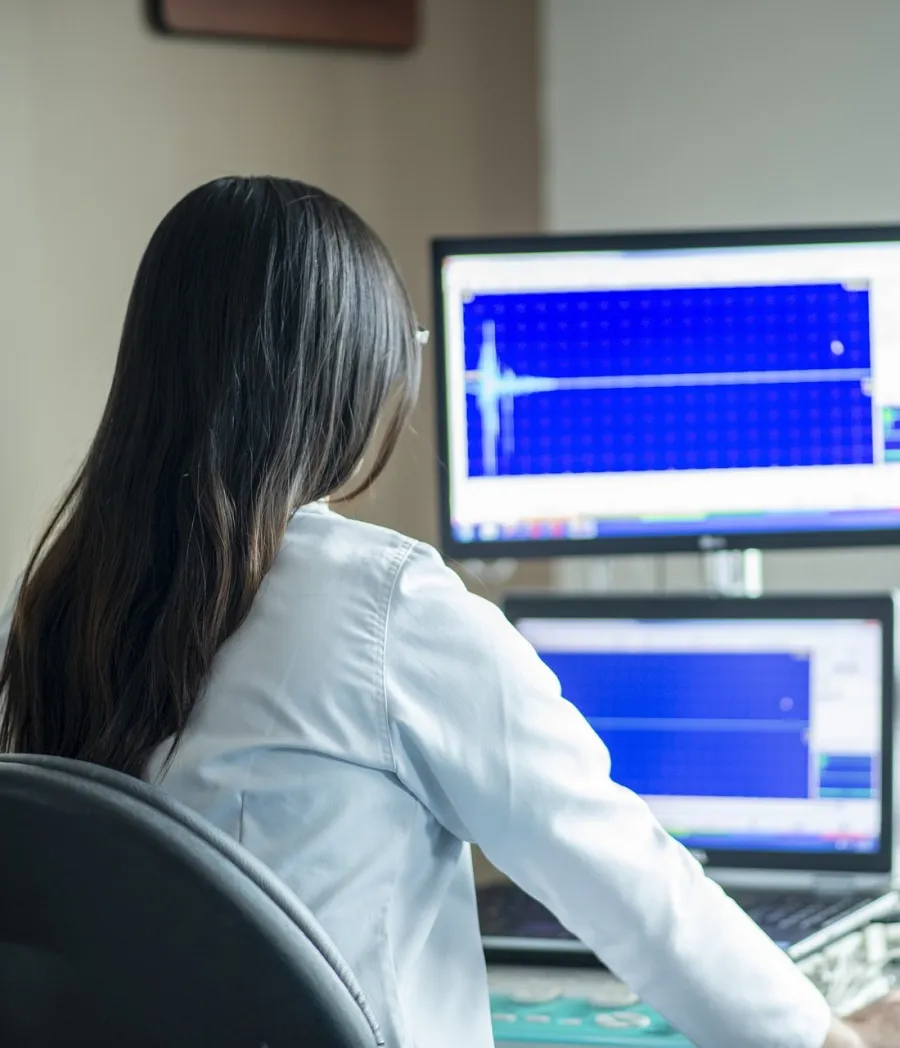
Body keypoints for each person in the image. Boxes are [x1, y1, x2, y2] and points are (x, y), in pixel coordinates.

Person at [0, 176, 897, 1048]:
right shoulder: (382, 605)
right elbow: (617, 870)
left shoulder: (63, 599)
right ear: (350, 379)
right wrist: (822, 1037)